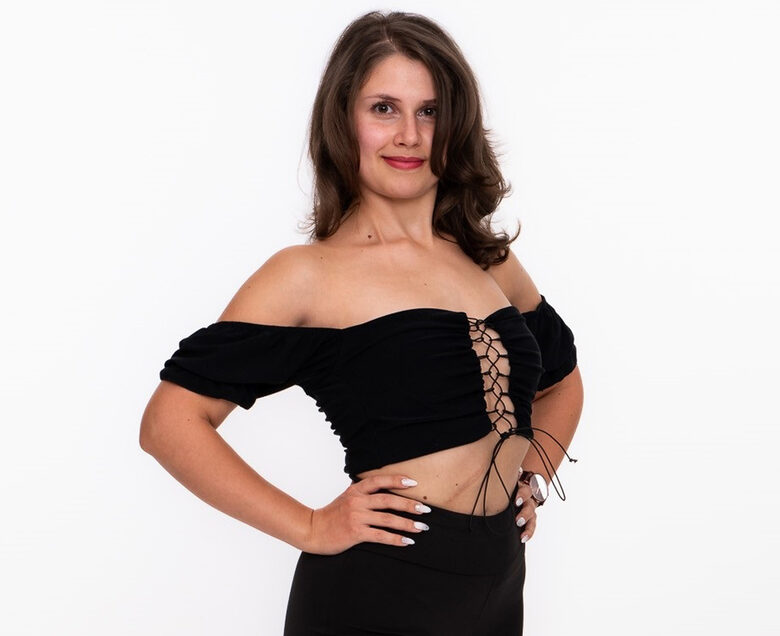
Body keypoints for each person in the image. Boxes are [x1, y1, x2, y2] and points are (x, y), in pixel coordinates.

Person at [140, 10, 584, 636]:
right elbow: (169, 423)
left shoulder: (488, 259)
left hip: (499, 582)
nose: (409, 135)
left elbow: (562, 382)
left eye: (430, 111)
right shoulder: (306, 275)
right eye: (383, 109)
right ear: (343, 121)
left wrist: (532, 475)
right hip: (378, 588)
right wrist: (310, 525)